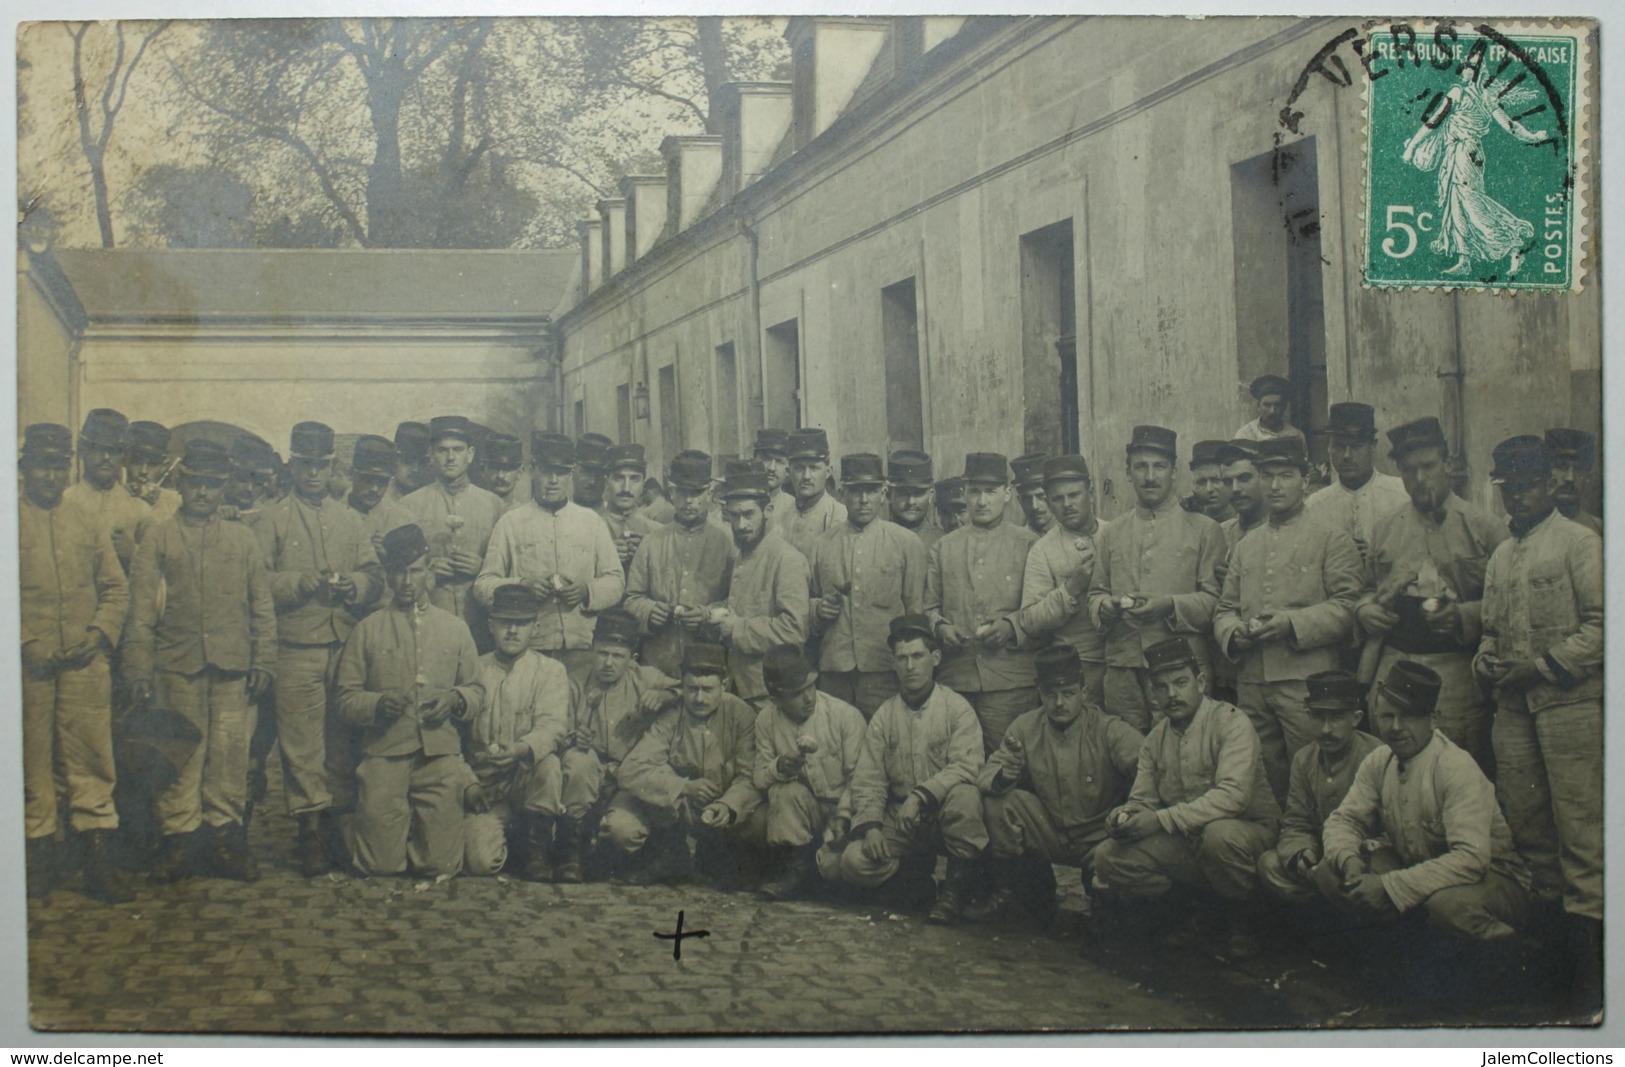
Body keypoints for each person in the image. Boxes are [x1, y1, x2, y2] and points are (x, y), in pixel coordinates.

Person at [1475, 435, 1602, 1010]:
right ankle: (1549, 960)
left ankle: (1591, 974)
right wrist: (1486, 660)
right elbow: (1489, 633)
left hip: (1569, 710)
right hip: (1513, 714)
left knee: (1580, 833)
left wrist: (1542, 667)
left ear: (1551, 483)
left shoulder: (1579, 543)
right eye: (1509, 490)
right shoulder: (1501, 557)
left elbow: (1604, 628)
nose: (1517, 500)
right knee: (1529, 832)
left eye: (1527, 487)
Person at [125, 440, 277, 884]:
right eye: (196, 484)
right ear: (181, 483)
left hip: (232, 670)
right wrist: (137, 667)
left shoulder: (242, 539)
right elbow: (139, 613)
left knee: (230, 757)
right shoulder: (159, 537)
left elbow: (261, 607)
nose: (204, 494)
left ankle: (225, 841)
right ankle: (180, 840)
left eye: (213, 485)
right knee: (181, 757)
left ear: (225, 487)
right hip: (176, 666)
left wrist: (264, 660)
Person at [1093, 637, 1280, 959]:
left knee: (1219, 836)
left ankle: (1244, 923)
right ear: (1153, 692)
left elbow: (1233, 797)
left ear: (1201, 682)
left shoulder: (1231, 721)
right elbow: (1143, 799)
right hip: (1190, 839)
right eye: (1162, 687)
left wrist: (1161, 819)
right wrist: (1125, 815)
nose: (1172, 694)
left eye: (1180, 683)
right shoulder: (1155, 739)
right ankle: (1191, 913)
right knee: (1110, 856)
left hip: (1249, 834)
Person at [1318, 661, 1532, 941]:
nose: (1395, 727)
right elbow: (1343, 820)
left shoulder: (1454, 766)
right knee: (1329, 871)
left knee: (1447, 907)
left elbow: (1471, 859)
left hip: (1493, 878)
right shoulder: (1379, 761)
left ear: (1433, 719)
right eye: (1387, 716)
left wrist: (1388, 885)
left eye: (1409, 716)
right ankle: (1405, 951)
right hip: (1423, 871)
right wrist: (1349, 860)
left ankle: (1510, 962)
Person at [256, 421, 384, 875]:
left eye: (322, 466)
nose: (314, 474)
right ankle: (308, 828)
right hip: (296, 646)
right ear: (292, 466)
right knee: (300, 742)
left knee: (341, 740)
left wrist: (357, 584)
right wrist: (295, 583)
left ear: (333, 467)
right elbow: (255, 584)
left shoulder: (350, 519)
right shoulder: (271, 518)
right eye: (305, 465)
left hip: (344, 644)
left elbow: (374, 574)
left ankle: (336, 824)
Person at [19, 423, 133, 904]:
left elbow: (116, 589)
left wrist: (98, 634)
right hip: (29, 667)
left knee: (91, 756)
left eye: (58, 464)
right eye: (42, 464)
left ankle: (96, 854)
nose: (51, 474)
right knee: (31, 759)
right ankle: (39, 855)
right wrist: (25, 642)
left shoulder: (84, 518)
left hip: (86, 663)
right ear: (24, 467)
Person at [1214, 437, 1362, 801]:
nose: (1275, 486)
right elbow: (1224, 609)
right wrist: (1234, 634)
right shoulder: (1247, 544)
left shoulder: (1331, 538)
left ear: (1305, 479)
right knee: (1262, 775)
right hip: (1252, 682)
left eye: (1286, 475)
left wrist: (1290, 624)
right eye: (1267, 476)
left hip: (1306, 684)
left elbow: (1349, 608)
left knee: (1314, 771)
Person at [1358, 417, 1507, 773]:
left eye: (1428, 467)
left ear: (1449, 465)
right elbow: (1363, 588)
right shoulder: (1386, 528)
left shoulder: (1484, 527)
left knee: (1457, 761)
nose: (1420, 479)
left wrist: (1464, 616)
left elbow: (1508, 602)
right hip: (1395, 661)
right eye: (1410, 471)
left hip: (1454, 668)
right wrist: (1364, 610)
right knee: (1394, 763)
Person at [335, 524, 483, 879]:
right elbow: (344, 700)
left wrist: (454, 700)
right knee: (380, 866)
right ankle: (355, 824)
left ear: (430, 572)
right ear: (387, 574)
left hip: (439, 757)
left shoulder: (455, 628)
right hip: (386, 754)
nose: (406, 581)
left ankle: (418, 830)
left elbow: (477, 690)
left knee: (442, 865)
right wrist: (376, 705)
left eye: (416, 571)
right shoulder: (368, 629)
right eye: (399, 571)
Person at [968, 645, 1143, 924]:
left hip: (1099, 835)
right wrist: (1005, 775)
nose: (1059, 703)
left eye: (1069, 693)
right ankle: (1017, 888)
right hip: (1050, 828)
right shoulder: (1025, 727)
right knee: (998, 803)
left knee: (1114, 923)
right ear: (1040, 695)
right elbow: (988, 773)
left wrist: (1129, 813)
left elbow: (1147, 769)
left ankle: (1106, 897)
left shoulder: (1110, 729)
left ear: (1084, 693)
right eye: (1051, 694)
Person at [831, 614, 988, 924]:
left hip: (941, 813)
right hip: (901, 817)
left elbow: (968, 766)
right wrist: (872, 825)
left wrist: (921, 796)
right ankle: (913, 880)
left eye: (917, 656)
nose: (910, 666)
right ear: (893, 663)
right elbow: (869, 777)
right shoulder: (884, 715)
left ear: (935, 658)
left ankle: (955, 889)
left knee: (966, 798)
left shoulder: (956, 708)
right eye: (902, 658)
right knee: (853, 861)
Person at [1087, 426, 1226, 733]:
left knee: (1184, 752)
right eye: (1141, 467)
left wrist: (1168, 605)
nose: (1150, 477)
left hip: (1181, 671)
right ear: (1128, 473)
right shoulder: (1111, 533)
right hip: (1123, 668)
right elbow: (1095, 593)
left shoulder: (1204, 530)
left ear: (1174, 472)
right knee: (1129, 755)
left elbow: (1216, 602)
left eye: (1159, 467)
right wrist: (1104, 607)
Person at [607, 642, 762, 888]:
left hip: (724, 808)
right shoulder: (672, 715)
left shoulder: (742, 716)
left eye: (708, 689)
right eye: (692, 689)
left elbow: (749, 775)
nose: (699, 698)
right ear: (682, 684)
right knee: (620, 828)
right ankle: (666, 853)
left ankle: (726, 858)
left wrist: (728, 805)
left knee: (762, 823)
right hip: (676, 812)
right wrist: (683, 787)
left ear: (724, 685)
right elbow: (631, 770)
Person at [476, 431, 624, 681]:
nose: (553, 480)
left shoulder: (591, 522)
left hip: (582, 650)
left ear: (572, 472)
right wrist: (522, 587)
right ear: (533, 470)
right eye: (546, 471)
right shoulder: (510, 523)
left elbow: (616, 581)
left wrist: (586, 591)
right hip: (529, 650)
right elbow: (482, 585)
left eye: (562, 471)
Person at [926, 452, 1038, 752]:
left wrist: (1011, 626)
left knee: (1008, 760)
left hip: (1010, 680)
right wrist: (940, 628)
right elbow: (928, 607)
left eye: (990, 491)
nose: (982, 501)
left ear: (1007, 493)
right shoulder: (944, 548)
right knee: (958, 759)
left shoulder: (1028, 544)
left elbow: (1039, 609)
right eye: (974, 491)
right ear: (965, 494)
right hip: (956, 679)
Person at [458, 584, 571, 881]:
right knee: (480, 862)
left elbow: (553, 727)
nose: (512, 631)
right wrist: (468, 783)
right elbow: (454, 740)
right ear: (490, 625)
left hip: (525, 780)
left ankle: (537, 849)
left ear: (534, 627)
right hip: (485, 788)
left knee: (549, 764)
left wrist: (522, 749)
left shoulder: (551, 671)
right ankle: (510, 839)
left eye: (520, 623)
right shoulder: (473, 670)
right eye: (505, 622)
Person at [558, 612, 681, 881]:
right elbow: (557, 730)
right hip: (589, 777)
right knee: (579, 761)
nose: (608, 663)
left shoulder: (644, 678)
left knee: (622, 832)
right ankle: (572, 854)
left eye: (618, 656)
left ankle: (619, 857)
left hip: (627, 782)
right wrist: (572, 739)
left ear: (632, 658)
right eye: (603, 653)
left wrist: (665, 695)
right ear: (592, 649)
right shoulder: (575, 682)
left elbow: (684, 690)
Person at [1400, 56, 1547, 277]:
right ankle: (1465, 258)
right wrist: (1532, 136)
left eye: (1470, 67)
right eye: (1466, 66)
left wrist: (1412, 146)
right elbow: (1510, 126)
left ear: (1477, 71)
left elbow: (1434, 121)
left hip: (1464, 153)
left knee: (1469, 201)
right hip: (1468, 153)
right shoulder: (1485, 97)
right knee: (1457, 202)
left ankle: (1513, 240)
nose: (1464, 70)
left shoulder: (1460, 93)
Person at [810, 453, 927, 718]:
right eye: (855, 491)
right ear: (841, 493)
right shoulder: (822, 544)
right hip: (834, 669)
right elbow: (808, 600)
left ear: (883, 492)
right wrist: (817, 608)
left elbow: (915, 610)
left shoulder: (906, 543)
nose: (863, 500)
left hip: (884, 668)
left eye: (871, 491)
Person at [749, 644, 868, 900]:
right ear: (776, 699)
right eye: (796, 693)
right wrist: (779, 767)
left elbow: (859, 779)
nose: (808, 698)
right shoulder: (767, 720)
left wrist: (844, 817)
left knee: (838, 874)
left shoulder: (845, 716)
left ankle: (824, 873)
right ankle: (795, 870)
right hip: (806, 812)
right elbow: (759, 777)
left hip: (845, 811)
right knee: (783, 791)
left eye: (811, 686)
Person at [1255, 670, 1383, 903]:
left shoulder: (1377, 756)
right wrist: (1303, 853)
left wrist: (1351, 855)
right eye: (1317, 717)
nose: (1325, 729)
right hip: (1320, 856)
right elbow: (1296, 823)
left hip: (1363, 856)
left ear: (1355, 718)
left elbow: (1391, 829)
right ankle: (1320, 922)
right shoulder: (1304, 760)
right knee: (1270, 864)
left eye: (1335, 718)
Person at [396, 415, 507, 646]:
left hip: (481, 624)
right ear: (431, 454)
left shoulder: (494, 505)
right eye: (442, 450)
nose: (450, 457)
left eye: (457, 449)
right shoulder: (409, 506)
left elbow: (509, 565)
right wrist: (430, 569)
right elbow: (398, 570)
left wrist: (483, 567)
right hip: (430, 622)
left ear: (471, 454)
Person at [707, 464, 810, 706]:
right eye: (733, 515)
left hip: (768, 693)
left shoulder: (787, 559)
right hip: (735, 688)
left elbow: (794, 632)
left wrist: (736, 628)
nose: (740, 525)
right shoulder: (740, 555)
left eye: (748, 514)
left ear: (768, 510)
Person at [1018, 454, 1111, 707]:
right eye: (1058, 499)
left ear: (1090, 494)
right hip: (1077, 669)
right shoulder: (1043, 550)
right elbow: (1030, 620)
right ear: (1048, 502)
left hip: (1122, 663)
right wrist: (1071, 589)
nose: (1067, 504)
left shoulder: (1116, 534)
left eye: (1074, 495)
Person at [1304, 402, 1408, 561]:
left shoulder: (1402, 495)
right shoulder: (1315, 506)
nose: (1347, 455)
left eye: (1356, 446)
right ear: (1328, 448)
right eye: (1339, 446)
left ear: (1372, 447)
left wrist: (1380, 558)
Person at [61, 408, 151, 573]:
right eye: (98, 449)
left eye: (114, 451)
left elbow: (161, 570)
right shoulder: (65, 501)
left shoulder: (138, 508)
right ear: (83, 451)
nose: (106, 458)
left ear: (123, 455)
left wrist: (133, 552)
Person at [778, 428, 848, 562]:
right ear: (788, 472)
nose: (806, 476)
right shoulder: (782, 515)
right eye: (799, 468)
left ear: (828, 472)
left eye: (814, 468)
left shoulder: (840, 516)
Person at [598, 443, 661, 571]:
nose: (626, 488)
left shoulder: (660, 534)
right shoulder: (590, 529)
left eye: (634, 479)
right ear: (606, 482)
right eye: (618, 478)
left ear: (643, 485)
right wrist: (602, 558)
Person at [1543, 428, 1602, 534]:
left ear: (1588, 476)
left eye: (1579, 469)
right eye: (1561, 466)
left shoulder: (1600, 530)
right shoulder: (1512, 528)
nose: (1570, 478)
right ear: (1544, 470)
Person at [124, 420, 181, 525]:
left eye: (152, 464)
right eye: (137, 462)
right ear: (126, 462)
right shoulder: (114, 499)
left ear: (164, 467)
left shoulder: (176, 505)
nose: (143, 471)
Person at [887, 449, 942, 550]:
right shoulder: (876, 541)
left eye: (918, 493)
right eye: (903, 493)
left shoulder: (942, 543)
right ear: (889, 495)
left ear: (930, 495)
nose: (911, 502)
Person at [1234, 374, 1306, 445]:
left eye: (1277, 405)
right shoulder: (1245, 435)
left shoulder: (1296, 435)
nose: (1272, 411)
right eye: (1267, 405)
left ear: (1284, 407)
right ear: (1258, 406)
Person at [753, 428, 796, 534]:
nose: (772, 468)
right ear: (754, 462)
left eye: (779, 461)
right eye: (766, 459)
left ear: (788, 469)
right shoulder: (737, 506)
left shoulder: (794, 508)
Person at [385, 421, 433, 507]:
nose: (415, 469)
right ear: (394, 460)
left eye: (422, 462)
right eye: (408, 460)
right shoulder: (379, 499)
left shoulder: (430, 501)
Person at [1187, 440, 1235, 524]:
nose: (1209, 489)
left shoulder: (1246, 523)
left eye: (1216, 480)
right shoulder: (1189, 522)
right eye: (1201, 482)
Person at [483, 432, 528, 513]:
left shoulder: (525, 516)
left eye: (507, 469)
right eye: (494, 467)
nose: (500, 476)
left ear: (520, 472)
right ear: (483, 469)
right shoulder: (472, 511)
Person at [1011, 452, 1054, 534]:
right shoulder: (1015, 539)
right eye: (1027, 499)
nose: (1034, 506)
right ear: (1019, 501)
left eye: (1041, 496)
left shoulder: (1072, 535)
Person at [572, 432, 614, 510]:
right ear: (572, 471)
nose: (593, 481)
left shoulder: (614, 519)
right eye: (586, 472)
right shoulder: (557, 515)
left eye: (600, 473)